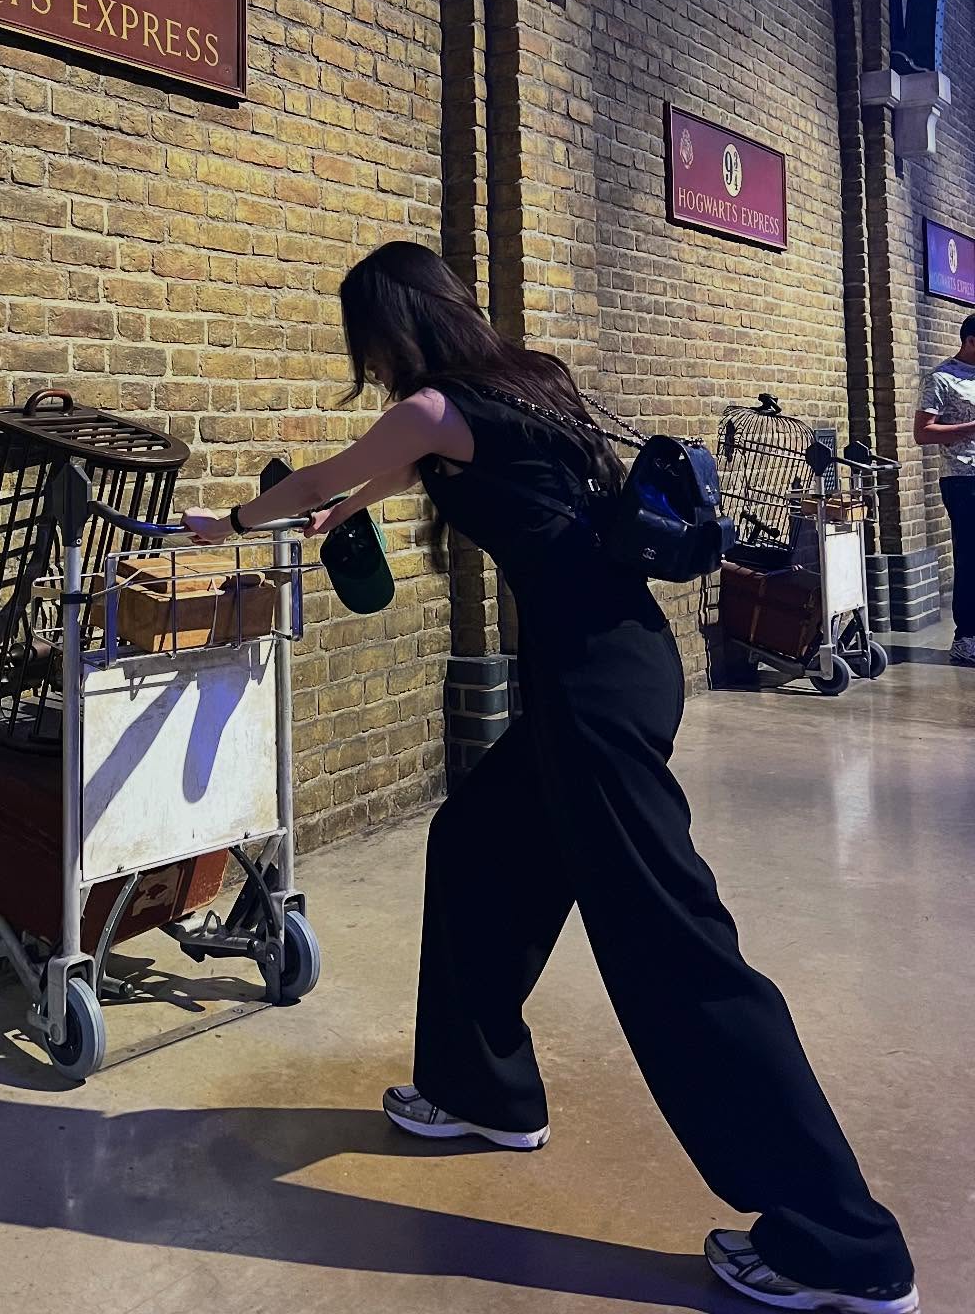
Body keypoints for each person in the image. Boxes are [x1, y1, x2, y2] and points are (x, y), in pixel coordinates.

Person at [182, 243, 917, 1314]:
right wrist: (339, 508)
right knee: (477, 844)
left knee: (673, 945)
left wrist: (232, 524)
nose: (368, 365)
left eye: (366, 345)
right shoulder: (527, 383)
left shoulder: (432, 410)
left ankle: (841, 1242)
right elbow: (389, 478)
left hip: (589, 694)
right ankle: (478, 1088)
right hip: (622, 664)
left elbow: (326, 477)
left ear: (391, 330)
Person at [914, 313, 975, 666]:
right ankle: (965, 639)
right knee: (970, 559)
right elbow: (922, 432)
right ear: (970, 341)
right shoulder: (941, 378)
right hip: (964, 480)